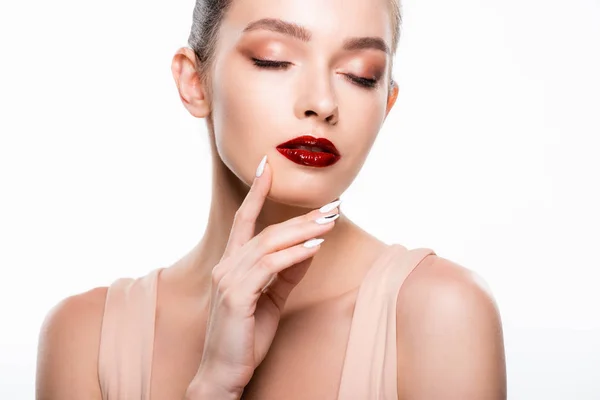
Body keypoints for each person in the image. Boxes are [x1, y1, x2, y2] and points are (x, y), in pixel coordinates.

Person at [35, 0, 507, 398]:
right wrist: (213, 385)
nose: (322, 102)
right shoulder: (85, 338)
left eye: (361, 75)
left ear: (386, 104)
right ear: (194, 81)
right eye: (274, 58)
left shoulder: (442, 312)